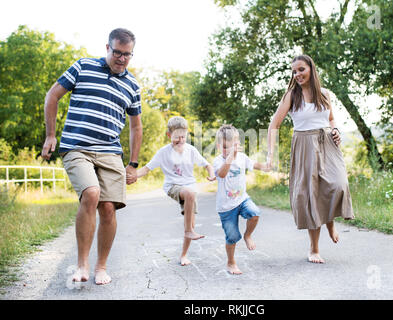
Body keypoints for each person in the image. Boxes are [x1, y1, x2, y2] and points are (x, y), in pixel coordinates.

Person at [41, 28, 143, 284]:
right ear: (107, 48)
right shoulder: (82, 67)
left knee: (108, 208)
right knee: (91, 193)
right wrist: (51, 135)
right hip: (77, 146)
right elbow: (52, 95)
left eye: (127, 54)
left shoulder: (132, 85)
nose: (121, 58)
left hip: (110, 152)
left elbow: (136, 126)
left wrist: (132, 164)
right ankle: (82, 265)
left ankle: (101, 267)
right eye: (117, 52)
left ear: (132, 55)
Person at [267, 54, 354, 264]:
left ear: (311, 69)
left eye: (301, 70)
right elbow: (273, 125)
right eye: (294, 71)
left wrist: (336, 131)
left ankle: (330, 220)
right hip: (304, 145)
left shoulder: (324, 94)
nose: (297, 74)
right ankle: (314, 249)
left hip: (327, 143)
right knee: (312, 195)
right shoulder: (291, 95)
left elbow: (331, 118)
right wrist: (271, 153)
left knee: (338, 184)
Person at [131, 116, 215, 266]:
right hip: (172, 186)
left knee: (191, 221)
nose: (181, 140)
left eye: (183, 136)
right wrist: (132, 176)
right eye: (177, 137)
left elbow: (207, 165)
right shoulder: (163, 152)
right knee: (189, 193)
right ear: (169, 135)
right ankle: (188, 230)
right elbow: (146, 169)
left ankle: (183, 255)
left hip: (189, 186)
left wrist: (211, 173)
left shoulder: (191, 150)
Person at [213, 124, 270, 275]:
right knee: (231, 236)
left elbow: (254, 164)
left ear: (237, 145)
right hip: (226, 206)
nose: (229, 151)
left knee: (254, 213)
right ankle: (231, 262)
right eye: (225, 147)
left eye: (232, 147)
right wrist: (230, 157)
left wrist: (266, 166)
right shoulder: (218, 161)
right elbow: (222, 173)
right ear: (219, 146)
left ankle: (248, 235)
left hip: (242, 199)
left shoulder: (242, 158)